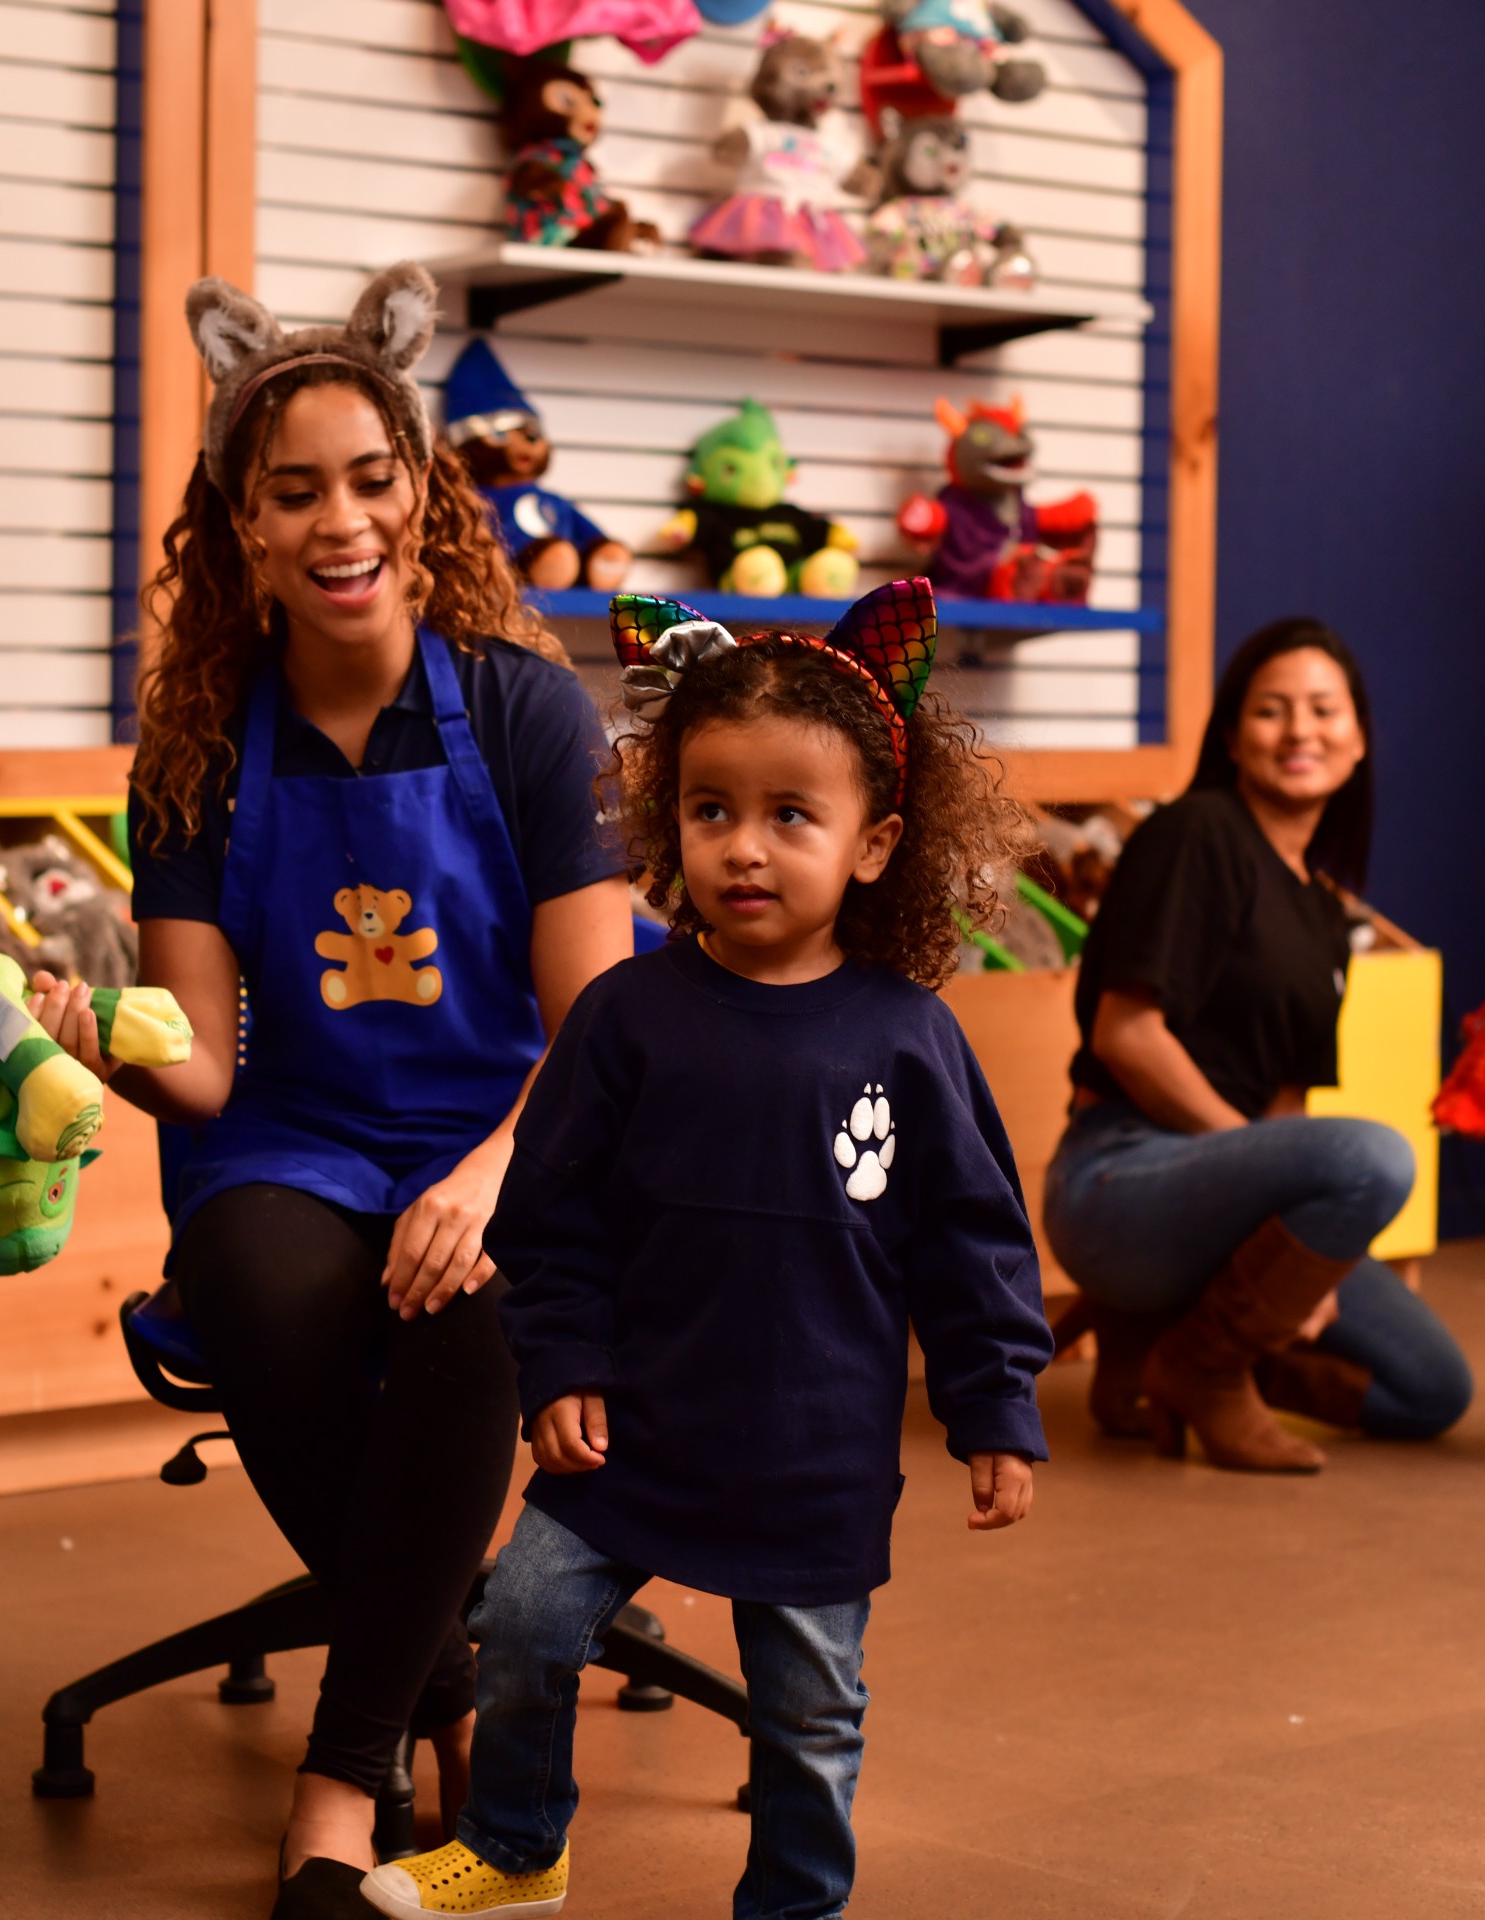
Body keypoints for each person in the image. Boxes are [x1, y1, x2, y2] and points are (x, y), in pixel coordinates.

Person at [25, 263, 633, 1919]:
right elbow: (209, 1072)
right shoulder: (200, 749)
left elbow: (606, 1030)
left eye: (374, 480)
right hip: (291, 1141)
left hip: (511, 1130)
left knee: (471, 1305)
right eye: (295, 492)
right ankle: (446, 1678)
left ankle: (338, 1779)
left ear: (423, 498)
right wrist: (100, 1034)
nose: (341, 522)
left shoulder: (525, 712)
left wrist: (493, 1175)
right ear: (242, 530)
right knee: (261, 1286)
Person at [359, 581, 1053, 1920]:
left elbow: (975, 1246)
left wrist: (996, 1407)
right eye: (711, 809)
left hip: (816, 1453)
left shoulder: (909, 1039)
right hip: (634, 1429)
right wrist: (559, 1364)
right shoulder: (624, 1020)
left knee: (807, 1718)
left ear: (873, 842)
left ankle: (791, 1905)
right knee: (528, 1624)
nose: (745, 847)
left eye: (791, 815)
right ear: (669, 821)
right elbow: (550, 1217)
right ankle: (516, 1846)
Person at [1042, 619, 1473, 1472]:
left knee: (1432, 1389)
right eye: (1272, 711)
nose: (1301, 731)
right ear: (1234, 737)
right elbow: (1126, 1035)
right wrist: (1272, 1210)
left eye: (1324, 710)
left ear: (1358, 742)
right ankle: (1204, 1368)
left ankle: (1167, 1340)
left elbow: (1289, 1109)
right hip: (1121, 1177)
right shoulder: (1195, 834)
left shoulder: (1321, 909)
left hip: (1232, 1190)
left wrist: (1296, 1269)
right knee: (1377, 1156)